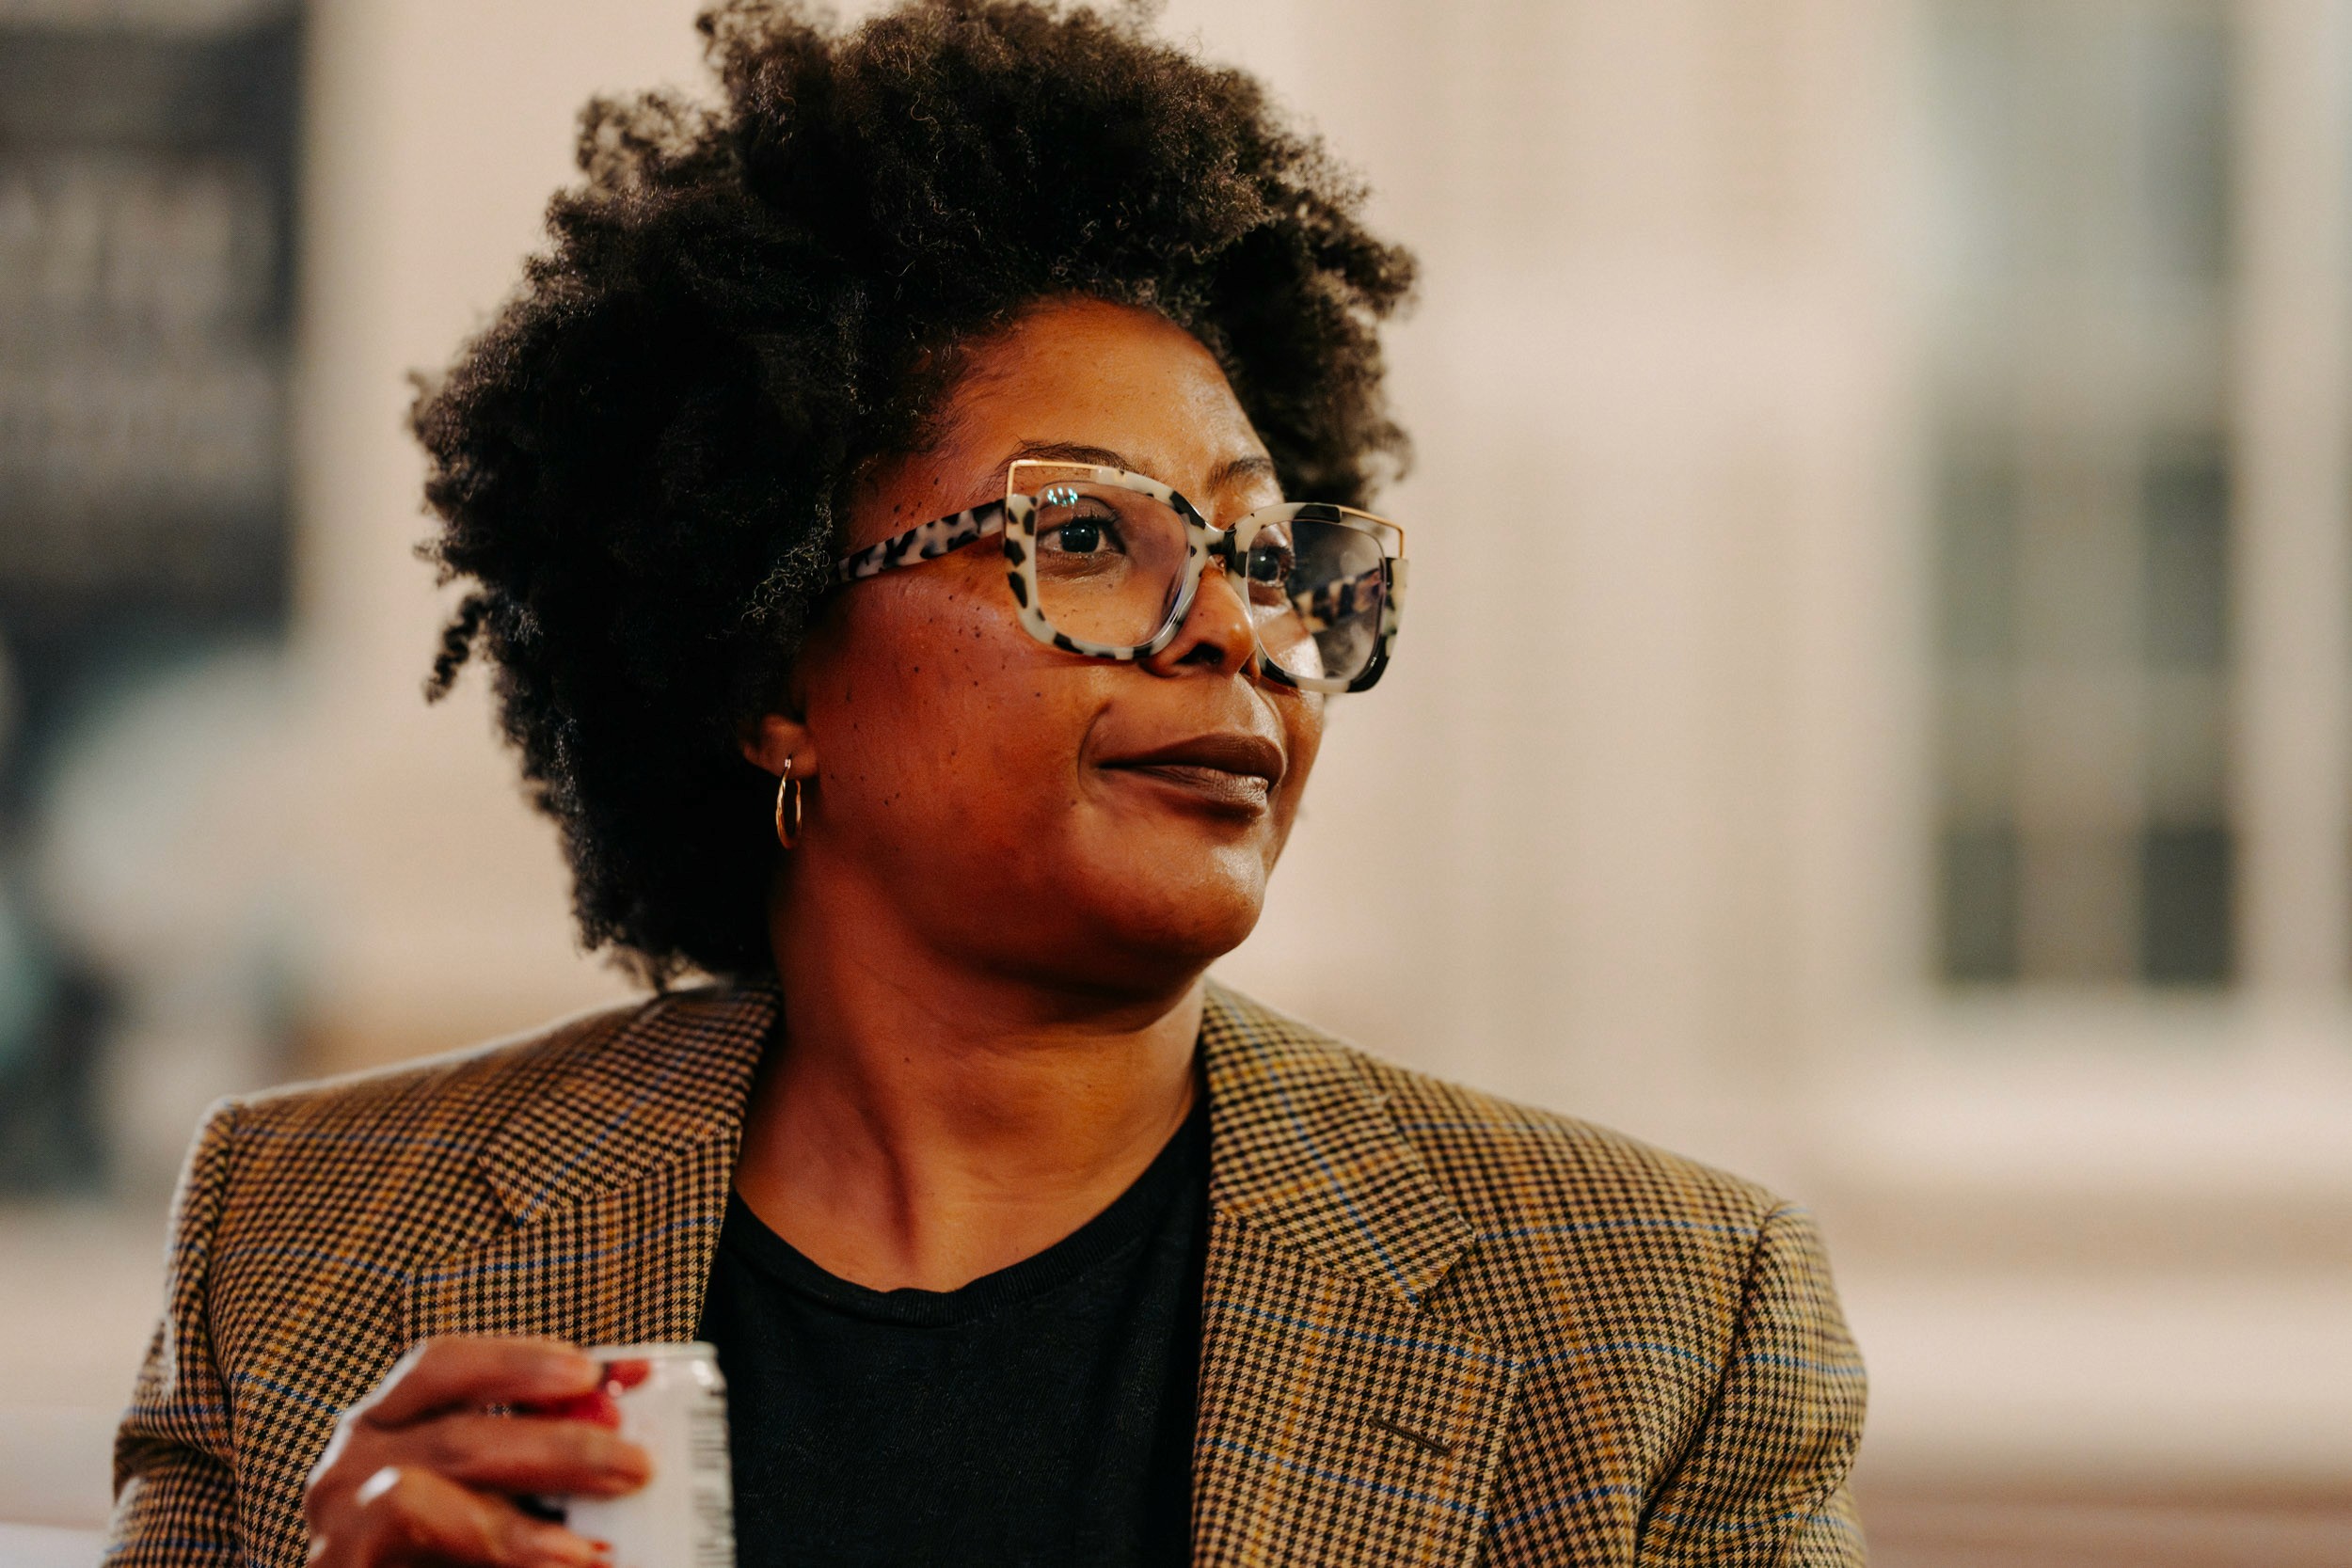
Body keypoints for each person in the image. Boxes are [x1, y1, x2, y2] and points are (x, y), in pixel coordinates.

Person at [108, 2, 1867, 1563]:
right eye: (1086, 535)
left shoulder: (1655, 1322)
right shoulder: (309, 1237)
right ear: (774, 666)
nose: (1234, 635)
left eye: (1271, 560)